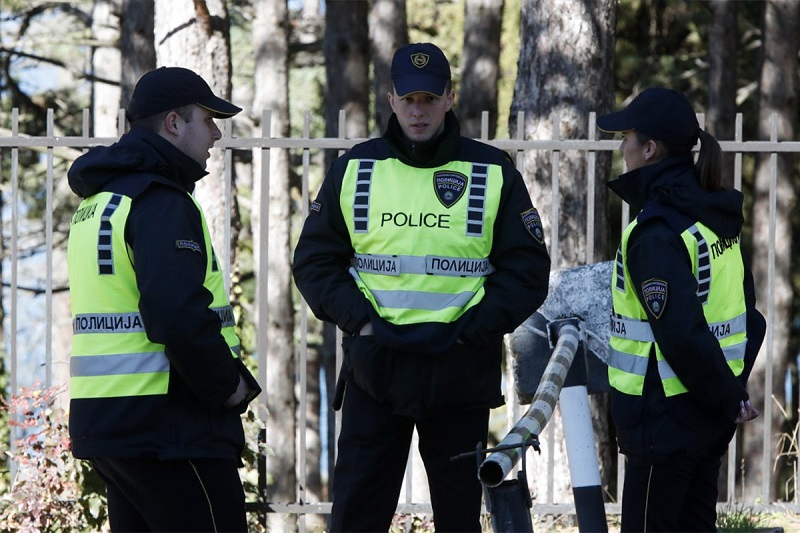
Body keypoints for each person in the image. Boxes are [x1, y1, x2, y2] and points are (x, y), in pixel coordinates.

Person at [292, 42, 551, 532]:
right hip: (376, 370)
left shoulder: (492, 171)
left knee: (458, 520)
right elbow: (314, 261)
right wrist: (362, 323)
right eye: (408, 99)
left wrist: (472, 331)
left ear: (450, 98)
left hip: (459, 371)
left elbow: (527, 270)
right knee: (356, 517)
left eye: (429, 99)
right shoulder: (356, 168)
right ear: (390, 99)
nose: (418, 111)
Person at [67, 66, 261, 532]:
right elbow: (174, 312)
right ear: (174, 123)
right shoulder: (161, 200)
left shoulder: (101, 202)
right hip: (172, 429)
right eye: (208, 119)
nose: (216, 133)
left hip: (112, 424)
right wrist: (228, 385)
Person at [598, 87, 766, 532]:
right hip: (706, 418)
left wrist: (728, 398)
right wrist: (730, 396)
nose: (622, 147)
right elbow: (749, 315)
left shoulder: (656, 230)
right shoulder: (711, 212)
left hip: (664, 424)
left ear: (649, 148)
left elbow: (681, 333)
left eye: (628, 137)